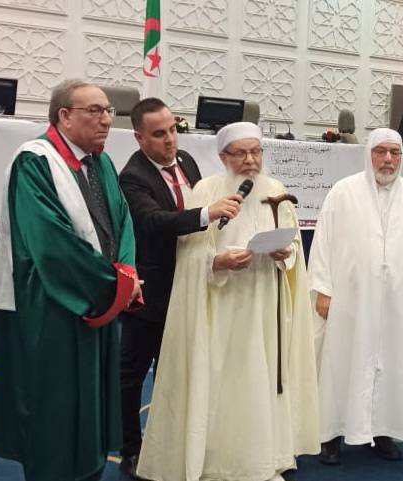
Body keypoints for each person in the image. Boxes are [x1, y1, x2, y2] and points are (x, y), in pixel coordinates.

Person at [136, 122, 320, 481]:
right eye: (241, 153)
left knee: (261, 379)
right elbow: (189, 253)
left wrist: (285, 253)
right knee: (221, 381)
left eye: (256, 152)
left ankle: (261, 459)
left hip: (263, 302)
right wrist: (217, 262)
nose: (250, 160)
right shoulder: (206, 190)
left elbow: (295, 246)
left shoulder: (276, 190)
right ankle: (215, 461)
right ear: (223, 157)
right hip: (221, 304)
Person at [0, 79, 142, 481]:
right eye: (95, 111)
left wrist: (126, 273)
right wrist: (111, 285)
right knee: (53, 406)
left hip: (98, 300)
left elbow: (122, 222)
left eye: (108, 111)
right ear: (65, 116)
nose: (106, 120)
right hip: (51, 304)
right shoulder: (34, 162)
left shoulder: (101, 162)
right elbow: (50, 243)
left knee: (90, 402)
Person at [116, 98, 242, 479]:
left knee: (179, 370)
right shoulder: (132, 177)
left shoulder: (186, 160)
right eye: (159, 134)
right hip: (151, 291)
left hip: (191, 285)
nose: (170, 139)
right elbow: (153, 222)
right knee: (132, 375)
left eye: (173, 129)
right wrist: (208, 214)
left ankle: (173, 441)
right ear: (139, 138)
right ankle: (131, 449)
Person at [308, 127, 403, 464]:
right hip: (350, 301)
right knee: (340, 363)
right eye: (381, 152)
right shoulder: (343, 192)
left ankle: (383, 432)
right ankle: (330, 435)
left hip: (398, 302)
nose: (388, 159)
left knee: (392, 365)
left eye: (395, 153)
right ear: (368, 155)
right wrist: (323, 290)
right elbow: (322, 244)